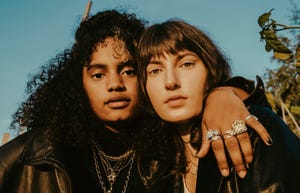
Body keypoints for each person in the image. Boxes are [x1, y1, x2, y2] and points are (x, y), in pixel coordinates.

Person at [0, 9, 270, 193]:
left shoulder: (171, 145)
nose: (115, 84)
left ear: (145, 77)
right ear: (77, 85)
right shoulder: (33, 157)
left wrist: (224, 93)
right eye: (97, 74)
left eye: (128, 70)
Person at [137, 19, 300, 193]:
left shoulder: (256, 130)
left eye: (186, 64)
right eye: (155, 71)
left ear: (211, 70)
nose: (170, 82)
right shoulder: (152, 162)